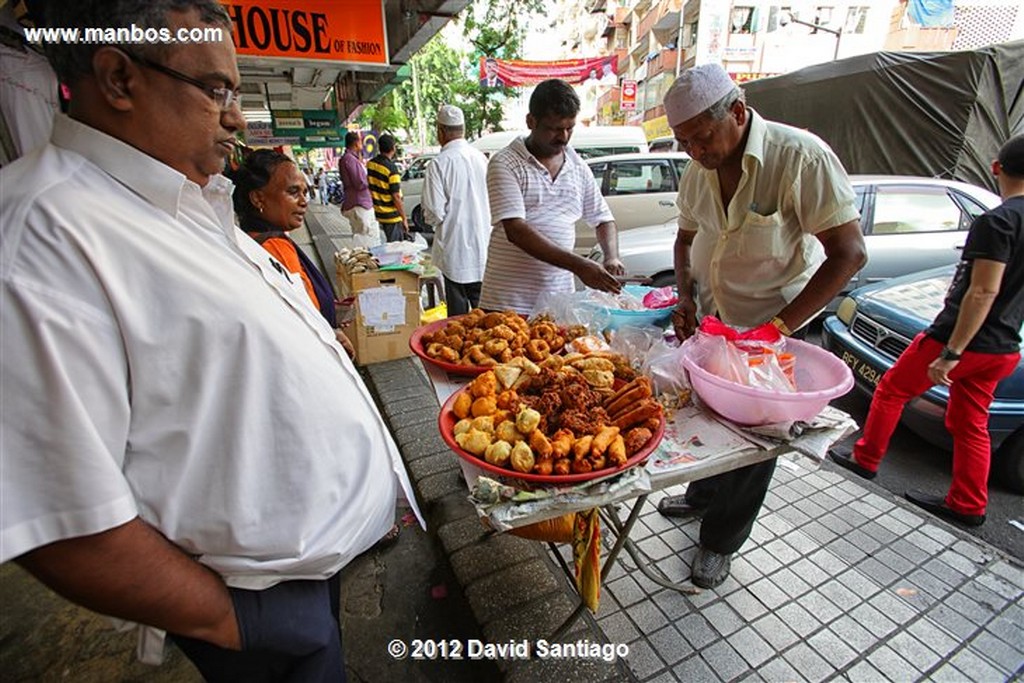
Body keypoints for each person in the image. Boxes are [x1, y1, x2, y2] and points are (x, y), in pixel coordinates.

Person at [0, 2, 422, 681]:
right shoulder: (43, 233)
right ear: (117, 77)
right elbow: (59, 518)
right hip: (253, 607)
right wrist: (237, 620)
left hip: (306, 574)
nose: (236, 117)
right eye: (216, 89)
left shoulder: (182, 197)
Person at [657, 64, 867, 588]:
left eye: (702, 137)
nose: (696, 152)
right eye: (685, 143)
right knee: (709, 420)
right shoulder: (696, 169)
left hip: (777, 333)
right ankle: (702, 493)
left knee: (754, 444)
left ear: (736, 111)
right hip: (715, 324)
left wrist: (776, 329)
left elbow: (849, 253)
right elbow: (685, 242)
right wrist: (685, 296)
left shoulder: (800, 157)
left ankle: (720, 542)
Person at [829, 135, 1024, 527]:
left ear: (996, 168)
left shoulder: (998, 221)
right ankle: (968, 504)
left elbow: (983, 290)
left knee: (891, 389)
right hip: (1004, 347)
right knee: (970, 423)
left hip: (964, 341)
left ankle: (866, 459)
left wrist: (952, 351)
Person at [478, 78, 625, 314]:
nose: (564, 137)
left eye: (570, 128)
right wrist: (580, 266)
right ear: (531, 121)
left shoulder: (578, 166)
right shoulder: (505, 162)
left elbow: (603, 219)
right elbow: (516, 230)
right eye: (555, 129)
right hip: (506, 303)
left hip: (557, 305)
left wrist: (611, 257)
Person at [230, 149, 339, 329]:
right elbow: (308, 314)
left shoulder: (246, 241)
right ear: (258, 198)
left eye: (305, 192)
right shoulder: (275, 248)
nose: (304, 201)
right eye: (293, 192)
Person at [421, 104, 490, 315]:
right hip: (483, 247)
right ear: (463, 130)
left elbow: (434, 212)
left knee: (458, 320)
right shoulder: (481, 159)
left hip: (455, 250)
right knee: (485, 315)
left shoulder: (439, 164)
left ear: (441, 131)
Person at [366, 133, 409, 242]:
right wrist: (404, 218)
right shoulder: (392, 169)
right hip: (392, 216)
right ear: (393, 148)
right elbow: (396, 197)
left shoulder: (370, 164)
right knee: (395, 248)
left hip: (378, 213)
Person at [338, 131, 377, 236]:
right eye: (360, 142)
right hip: (359, 203)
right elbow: (359, 182)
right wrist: (370, 181)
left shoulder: (351, 159)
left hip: (360, 202)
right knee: (365, 237)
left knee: (365, 235)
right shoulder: (349, 159)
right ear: (356, 143)